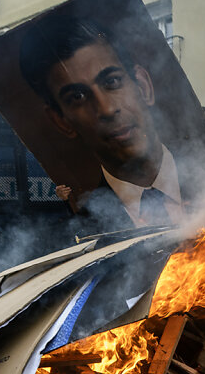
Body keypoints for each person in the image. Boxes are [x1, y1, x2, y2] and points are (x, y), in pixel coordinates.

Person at [19, 17, 182, 227]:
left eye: (112, 81)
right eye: (78, 97)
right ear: (61, 121)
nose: (106, 109)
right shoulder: (85, 226)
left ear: (142, 87)